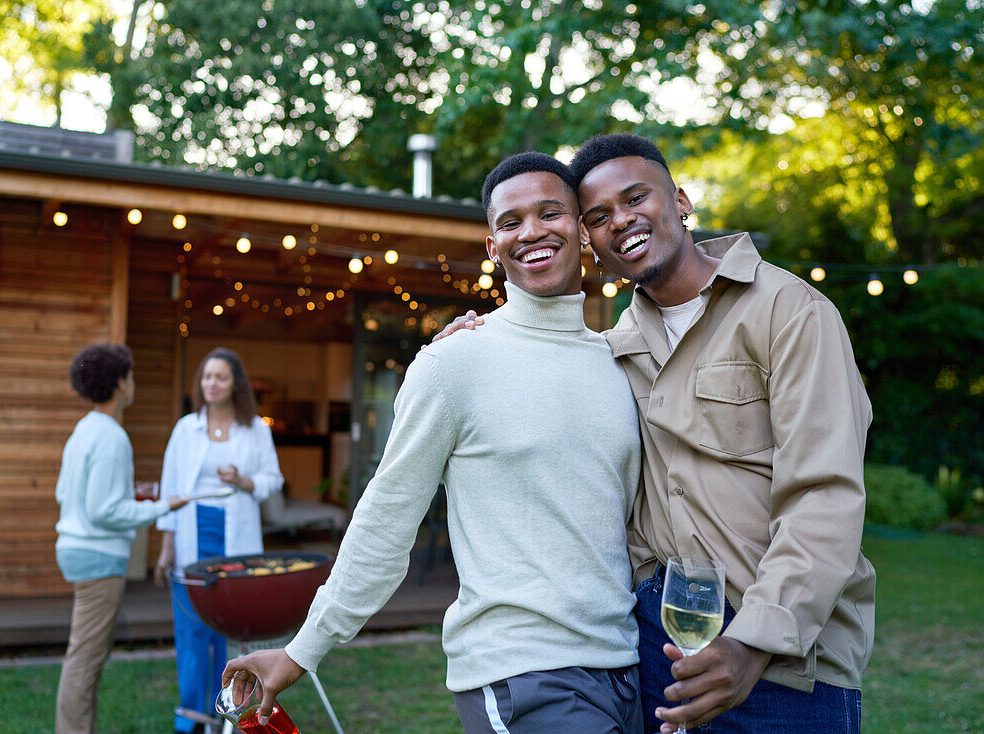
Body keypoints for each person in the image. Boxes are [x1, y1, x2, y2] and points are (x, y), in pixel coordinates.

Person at [440, 134, 876, 733]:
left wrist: (752, 643)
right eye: (598, 216)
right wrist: (480, 334)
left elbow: (824, 496)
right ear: (590, 241)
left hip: (781, 660)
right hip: (658, 652)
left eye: (635, 197)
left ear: (680, 200)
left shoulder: (789, 311)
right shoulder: (616, 346)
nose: (621, 220)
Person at [221, 152, 644, 734]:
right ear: (492, 246)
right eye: (510, 222)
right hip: (522, 675)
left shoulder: (623, 364)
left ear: (583, 229)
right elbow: (387, 517)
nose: (532, 233)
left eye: (551, 213)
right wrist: (303, 649)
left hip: (628, 667)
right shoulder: (455, 361)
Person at [54, 343, 188, 734]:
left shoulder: (84, 430)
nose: (134, 382)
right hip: (98, 557)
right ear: (119, 382)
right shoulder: (112, 437)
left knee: (85, 655)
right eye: (130, 375)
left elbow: (67, 495)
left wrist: (131, 498)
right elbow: (104, 511)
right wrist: (162, 506)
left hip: (79, 551)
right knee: (85, 660)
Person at [155, 347, 285, 734]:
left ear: (235, 385)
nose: (211, 384)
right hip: (192, 534)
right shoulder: (185, 428)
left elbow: (272, 480)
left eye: (220, 377)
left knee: (229, 633)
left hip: (236, 538)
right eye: (206, 377)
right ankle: (192, 718)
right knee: (192, 631)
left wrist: (243, 481)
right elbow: (169, 488)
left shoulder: (256, 429)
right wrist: (166, 546)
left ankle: (230, 714)